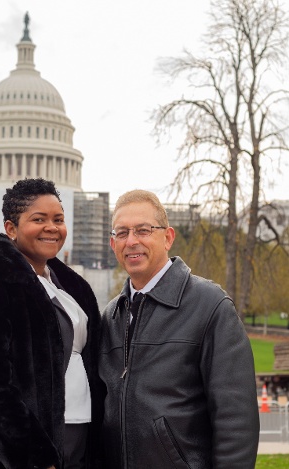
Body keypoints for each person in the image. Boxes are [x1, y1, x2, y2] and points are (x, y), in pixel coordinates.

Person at [0, 178, 103, 469]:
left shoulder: (68, 287)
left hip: (78, 432)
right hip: (31, 446)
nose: (52, 227)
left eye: (58, 219)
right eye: (38, 219)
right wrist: (33, 457)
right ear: (11, 228)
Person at [99, 189, 260, 469]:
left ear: (168, 237)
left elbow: (236, 420)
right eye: (122, 233)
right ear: (113, 244)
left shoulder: (210, 305)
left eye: (143, 230)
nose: (132, 241)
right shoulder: (111, 316)